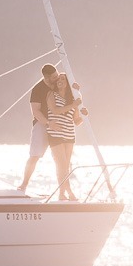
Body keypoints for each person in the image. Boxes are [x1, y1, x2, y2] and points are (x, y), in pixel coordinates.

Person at [17, 63, 63, 192]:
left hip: (60, 123)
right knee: (34, 156)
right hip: (42, 124)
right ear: (47, 77)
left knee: (61, 159)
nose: (57, 77)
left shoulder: (61, 83)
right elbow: (36, 111)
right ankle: (24, 184)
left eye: (57, 74)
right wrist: (49, 123)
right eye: (54, 77)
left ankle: (63, 190)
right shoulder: (38, 89)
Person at [47, 72, 86, 200]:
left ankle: (62, 194)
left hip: (69, 134)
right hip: (55, 134)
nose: (60, 81)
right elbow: (55, 111)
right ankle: (68, 192)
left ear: (67, 82)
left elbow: (76, 121)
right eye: (58, 79)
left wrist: (84, 116)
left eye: (63, 79)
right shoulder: (52, 94)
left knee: (66, 166)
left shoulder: (72, 99)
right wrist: (73, 105)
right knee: (62, 165)